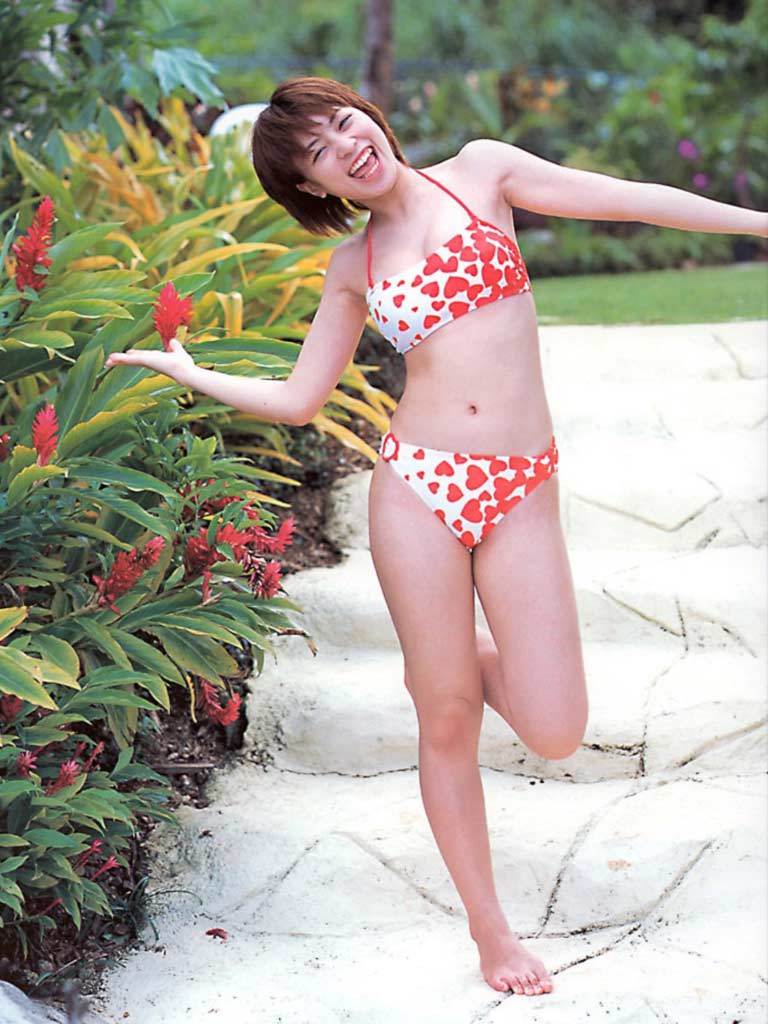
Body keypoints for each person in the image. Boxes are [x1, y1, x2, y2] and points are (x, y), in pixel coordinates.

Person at [104, 76, 768, 998]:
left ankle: (452, 657)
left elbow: (631, 199)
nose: (347, 147)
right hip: (418, 487)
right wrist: (193, 372)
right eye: (320, 153)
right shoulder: (355, 266)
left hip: (520, 487)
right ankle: (491, 931)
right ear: (314, 186)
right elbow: (299, 399)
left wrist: (759, 223)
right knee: (446, 715)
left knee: (556, 729)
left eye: (345, 123)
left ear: (370, 117)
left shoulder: (483, 174)